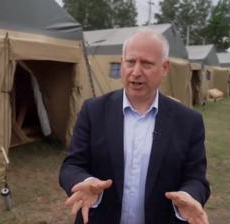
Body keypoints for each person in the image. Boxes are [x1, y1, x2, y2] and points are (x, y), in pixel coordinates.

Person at [59, 29, 210, 224]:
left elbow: (196, 179)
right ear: (122, 63)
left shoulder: (188, 122)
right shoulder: (93, 111)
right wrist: (85, 182)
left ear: (164, 68)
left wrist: (189, 195)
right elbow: (72, 165)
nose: (136, 72)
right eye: (130, 62)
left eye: (146, 63)